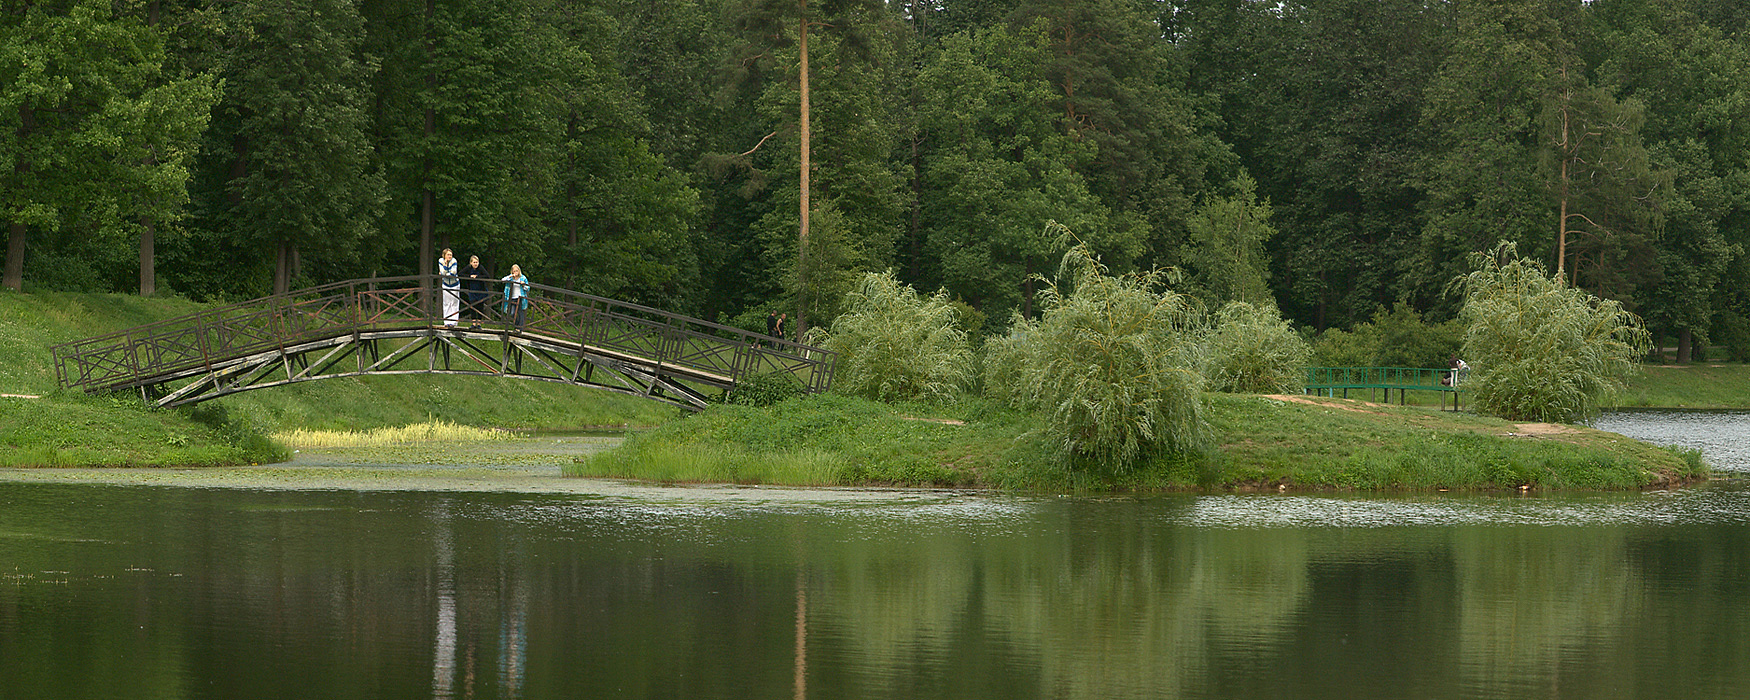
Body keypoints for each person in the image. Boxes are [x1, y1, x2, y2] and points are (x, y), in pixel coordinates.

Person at [461, 255, 488, 327]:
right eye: (474, 262)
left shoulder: (480, 268)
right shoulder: (469, 268)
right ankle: (473, 323)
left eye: (477, 262)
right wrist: (469, 277)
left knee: (480, 306)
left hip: (481, 290)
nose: (475, 264)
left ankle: (479, 323)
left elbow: (487, 275)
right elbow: (460, 274)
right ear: (471, 263)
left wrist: (477, 277)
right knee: (472, 306)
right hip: (472, 289)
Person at [437, 249, 460, 327]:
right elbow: (442, 271)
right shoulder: (441, 260)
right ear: (444, 255)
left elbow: (453, 272)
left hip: (455, 284)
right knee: (446, 303)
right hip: (446, 284)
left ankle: (454, 322)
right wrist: (445, 266)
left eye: (451, 254)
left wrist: (445, 272)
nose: (450, 256)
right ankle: (446, 321)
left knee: (454, 303)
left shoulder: (454, 261)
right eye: (448, 255)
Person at [501, 264, 529, 328]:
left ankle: (519, 327)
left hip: (520, 297)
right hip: (512, 297)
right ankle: (516, 325)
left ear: (519, 271)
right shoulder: (511, 278)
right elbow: (503, 280)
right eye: (514, 271)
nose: (515, 272)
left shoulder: (523, 278)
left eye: (517, 271)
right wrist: (510, 276)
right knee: (512, 313)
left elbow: (528, 288)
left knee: (520, 312)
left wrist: (523, 285)